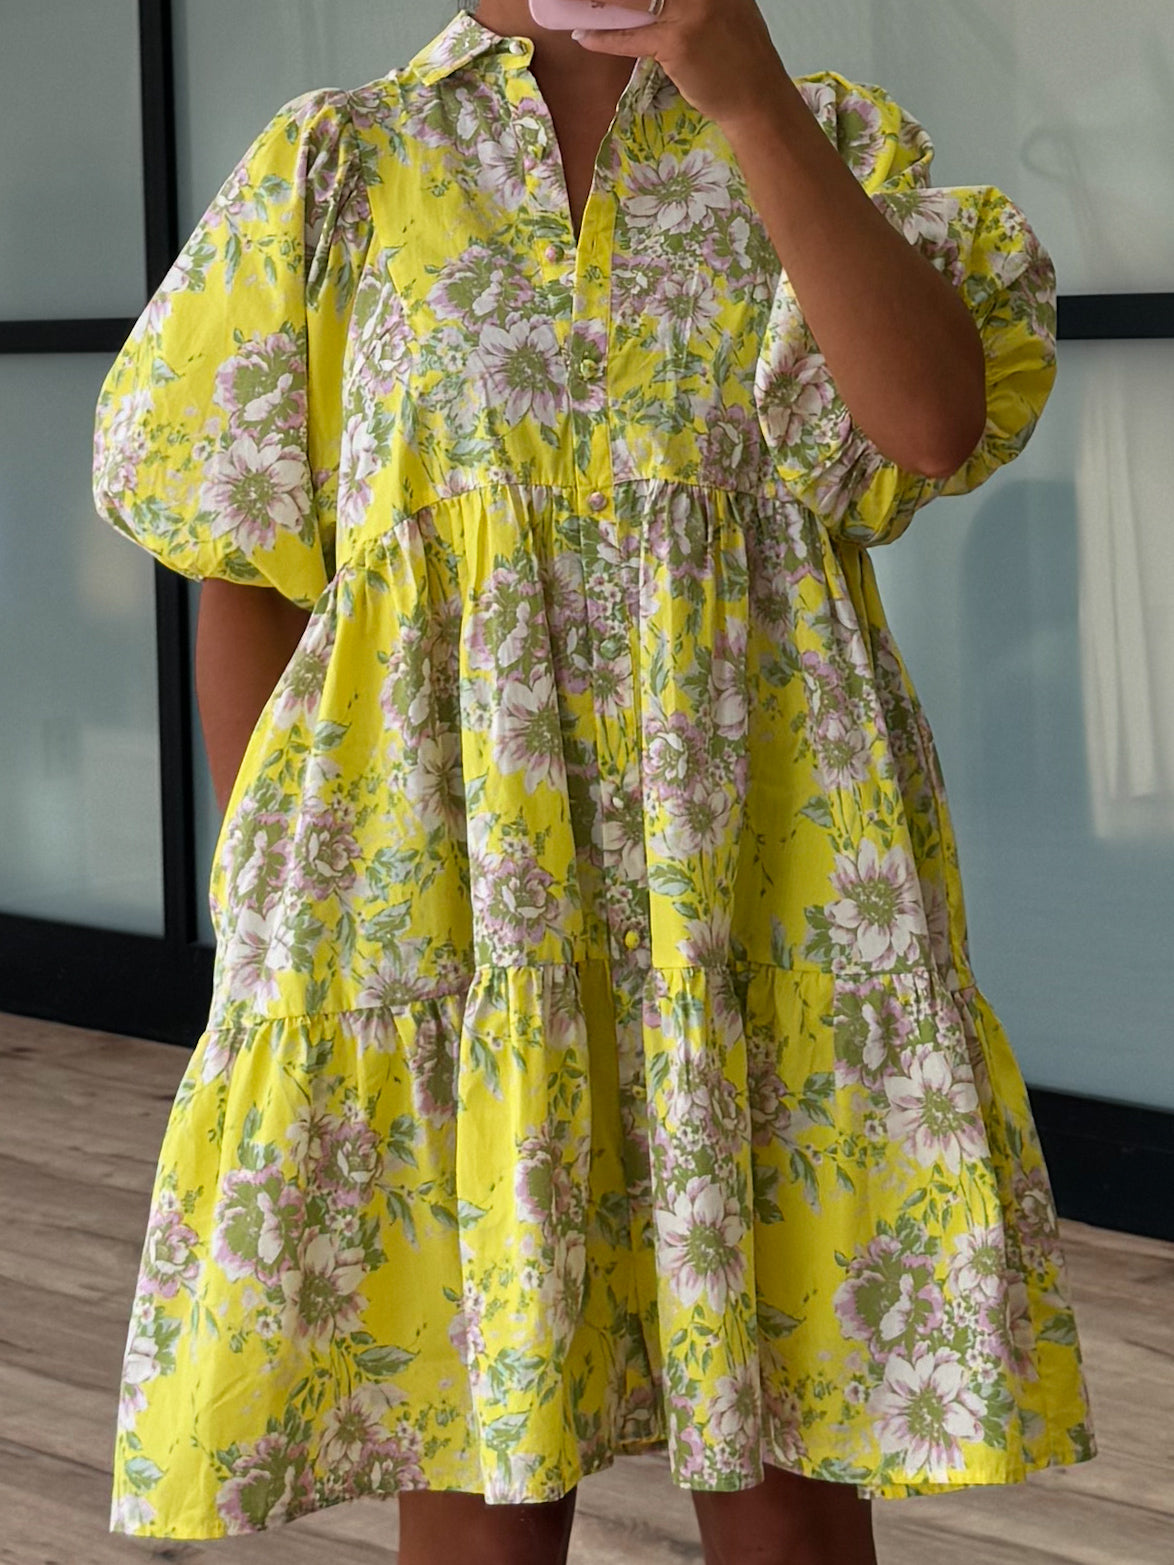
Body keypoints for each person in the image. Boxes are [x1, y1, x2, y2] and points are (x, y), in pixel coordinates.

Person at [91, 1, 1096, 1561]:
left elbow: (926, 425)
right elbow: (243, 564)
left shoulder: (822, 139)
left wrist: (744, 96)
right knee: (484, 1465)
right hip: (452, 917)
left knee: (783, 1483)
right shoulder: (341, 166)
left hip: (756, 902)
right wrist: (276, 913)